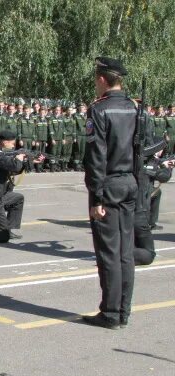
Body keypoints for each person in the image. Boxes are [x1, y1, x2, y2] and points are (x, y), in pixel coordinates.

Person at [82, 57, 139, 330]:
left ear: (103, 79)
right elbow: (140, 151)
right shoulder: (134, 108)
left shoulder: (99, 110)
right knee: (126, 252)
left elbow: (97, 157)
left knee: (109, 253)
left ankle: (111, 313)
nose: (95, 84)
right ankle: (124, 311)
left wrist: (97, 198)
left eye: (96, 79)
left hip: (109, 185)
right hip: (130, 183)